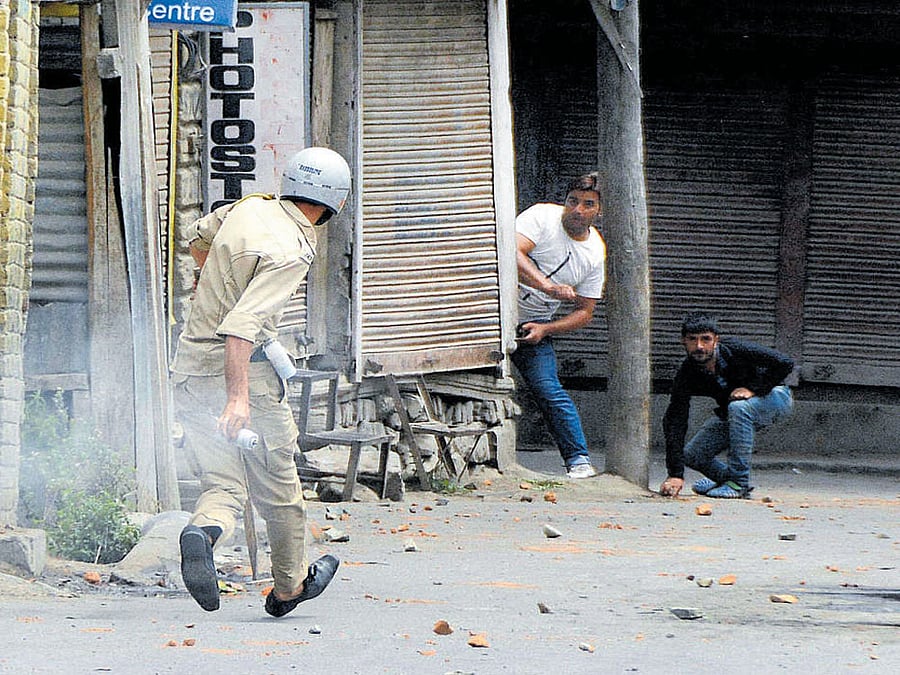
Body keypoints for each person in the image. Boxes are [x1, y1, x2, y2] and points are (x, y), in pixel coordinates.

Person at [170, 147, 351, 615]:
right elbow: (241, 326)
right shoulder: (293, 248)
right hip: (243, 372)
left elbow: (198, 236)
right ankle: (290, 586)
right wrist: (238, 399)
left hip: (190, 369)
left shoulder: (251, 206)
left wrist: (208, 279)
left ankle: (201, 532)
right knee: (280, 489)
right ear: (335, 201)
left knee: (223, 486)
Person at [511, 173, 607, 479]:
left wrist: (545, 330)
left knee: (548, 388)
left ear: (599, 212)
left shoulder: (594, 254)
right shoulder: (542, 215)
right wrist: (549, 286)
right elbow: (511, 252)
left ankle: (578, 459)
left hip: (532, 324)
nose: (577, 209)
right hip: (493, 311)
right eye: (572, 201)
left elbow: (585, 311)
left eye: (587, 204)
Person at [659, 311, 795, 499]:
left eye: (705, 339)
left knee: (738, 407)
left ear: (716, 340)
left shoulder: (734, 349)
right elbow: (675, 419)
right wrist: (675, 474)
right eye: (693, 339)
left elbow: (785, 363)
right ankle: (725, 479)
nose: (699, 346)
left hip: (775, 397)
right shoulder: (686, 373)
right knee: (692, 454)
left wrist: (753, 389)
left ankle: (738, 483)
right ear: (683, 341)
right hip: (736, 410)